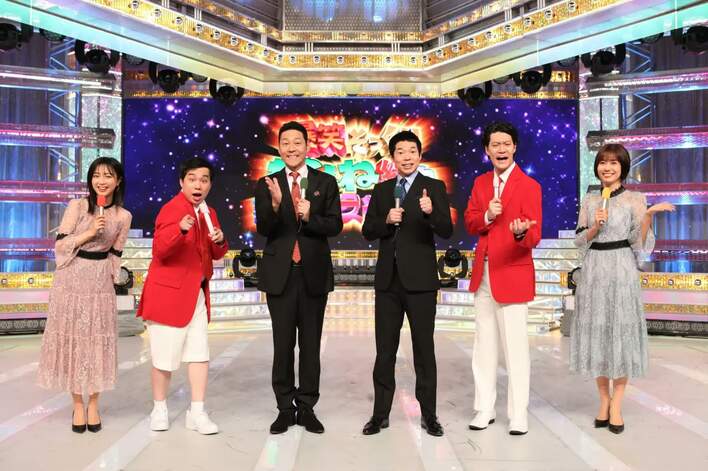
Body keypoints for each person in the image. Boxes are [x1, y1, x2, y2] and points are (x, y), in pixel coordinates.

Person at [570, 143, 674, 434]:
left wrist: (648, 215)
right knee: (598, 333)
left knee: (621, 332)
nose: (607, 168)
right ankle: (603, 401)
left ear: (623, 167)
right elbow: (578, 240)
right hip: (594, 270)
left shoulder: (635, 199)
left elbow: (638, 243)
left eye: (614, 163)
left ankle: (617, 404)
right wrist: (594, 228)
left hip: (622, 269)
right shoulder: (590, 200)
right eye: (603, 162)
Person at [361, 130, 453, 437]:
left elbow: (446, 229)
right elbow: (368, 231)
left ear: (420, 155)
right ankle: (380, 415)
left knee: (424, 351)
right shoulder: (382, 190)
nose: (406, 157)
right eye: (400, 151)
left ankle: (429, 415)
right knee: (384, 352)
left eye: (412, 151)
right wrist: (386, 221)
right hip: (388, 283)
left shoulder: (434, 188)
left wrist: (431, 212)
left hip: (422, 282)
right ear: (393, 157)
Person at [255, 121, 343, 434]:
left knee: (310, 345)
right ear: (279, 147)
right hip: (280, 274)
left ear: (307, 146)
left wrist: (309, 216)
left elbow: (335, 225)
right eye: (286, 143)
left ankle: (306, 407)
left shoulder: (325, 182)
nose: (291, 148)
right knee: (282, 346)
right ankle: (284, 408)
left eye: (297, 142)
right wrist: (277, 205)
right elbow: (265, 228)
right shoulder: (267, 183)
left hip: (312, 274)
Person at [38, 157, 132, 434]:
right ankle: (78, 404)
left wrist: (112, 282)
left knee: (96, 342)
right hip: (71, 279)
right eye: (96, 175)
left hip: (100, 283)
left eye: (108, 176)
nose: (101, 181)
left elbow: (116, 253)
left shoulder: (124, 216)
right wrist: (89, 232)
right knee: (74, 341)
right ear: (90, 180)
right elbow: (60, 246)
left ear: (118, 181)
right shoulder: (77, 206)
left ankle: (94, 404)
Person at [137, 157, 228, 435]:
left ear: (210, 185)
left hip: (197, 294)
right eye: (192, 179)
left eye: (204, 180)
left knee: (200, 354)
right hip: (169, 296)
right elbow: (160, 251)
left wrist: (221, 240)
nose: (198, 185)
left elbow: (216, 253)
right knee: (164, 358)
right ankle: (159, 409)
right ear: (181, 182)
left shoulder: (210, 213)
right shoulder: (171, 209)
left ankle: (197, 412)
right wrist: (180, 229)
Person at [464, 122, 542, 436]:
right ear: (487, 150)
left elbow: (534, 235)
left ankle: (518, 413)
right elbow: (471, 222)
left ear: (514, 147)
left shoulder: (529, 185)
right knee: (484, 346)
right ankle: (484, 408)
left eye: (506, 144)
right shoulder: (481, 183)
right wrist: (487, 215)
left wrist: (521, 232)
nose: (501, 149)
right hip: (483, 275)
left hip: (512, 272)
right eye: (495, 144)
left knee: (515, 350)